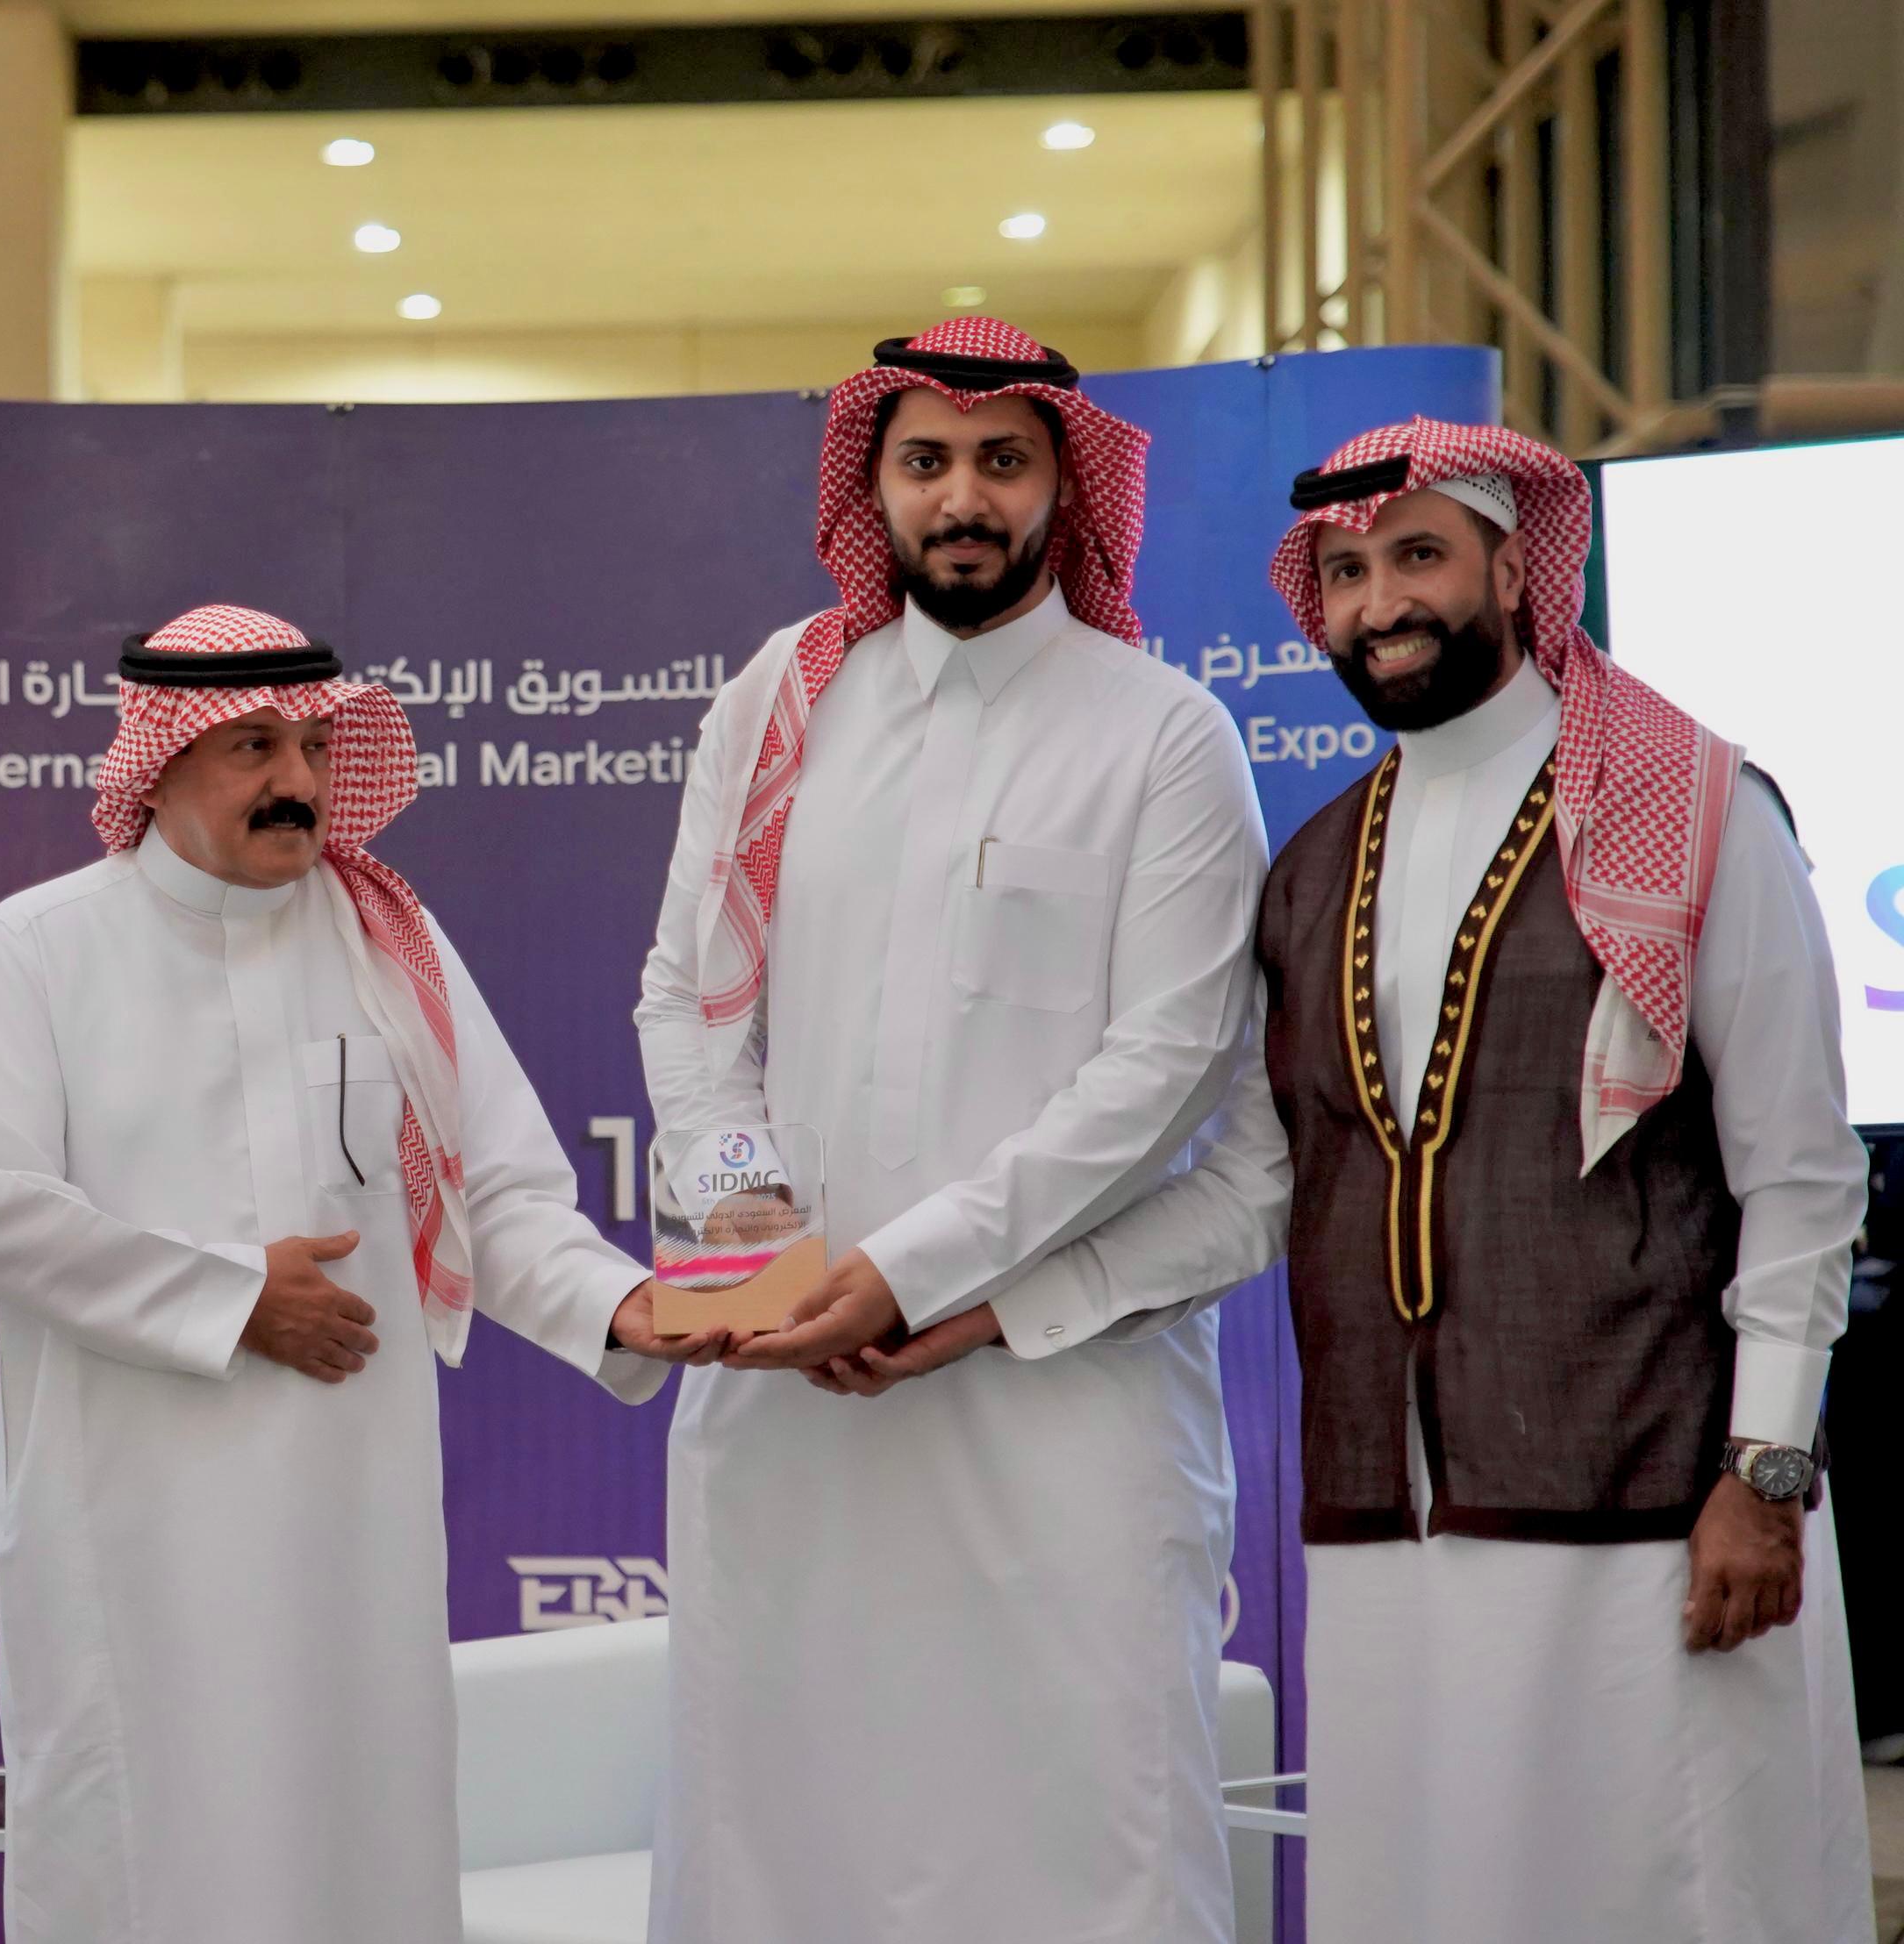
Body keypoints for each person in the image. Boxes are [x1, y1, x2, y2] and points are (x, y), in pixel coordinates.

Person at [633, 319, 1271, 1941]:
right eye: (925, 461)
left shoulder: (1162, 733)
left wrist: (909, 1271)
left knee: (1081, 1842)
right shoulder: (779, 705)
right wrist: (756, 1238)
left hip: (1058, 1412)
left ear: (1065, 483)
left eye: (1003, 461)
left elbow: (1166, 1069)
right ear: (875, 485)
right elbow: (691, 1004)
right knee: (784, 1839)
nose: (962, 499)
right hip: (794, 1400)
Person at [0, 604, 681, 1944]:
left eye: (318, 746)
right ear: (161, 760)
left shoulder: (384, 938)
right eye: (255, 747)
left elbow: (497, 1192)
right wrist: (234, 1298)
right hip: (138, 1526)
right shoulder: (43, 944)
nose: (298, 781)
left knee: (355, 1856)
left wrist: (621, 1306)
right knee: (151, 1857)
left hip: (351, 1527)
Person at [1254, 420, 1872, 1942]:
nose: (1380, 603)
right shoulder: (1313, 866)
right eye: (1346, 572)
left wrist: (1765, 1477)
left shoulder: (1701, 807)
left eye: (1418, 556)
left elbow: (1800, 1175)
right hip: (1395, 1524)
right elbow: (1278, 1184)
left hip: (1654, 1514)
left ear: (1518, 566)